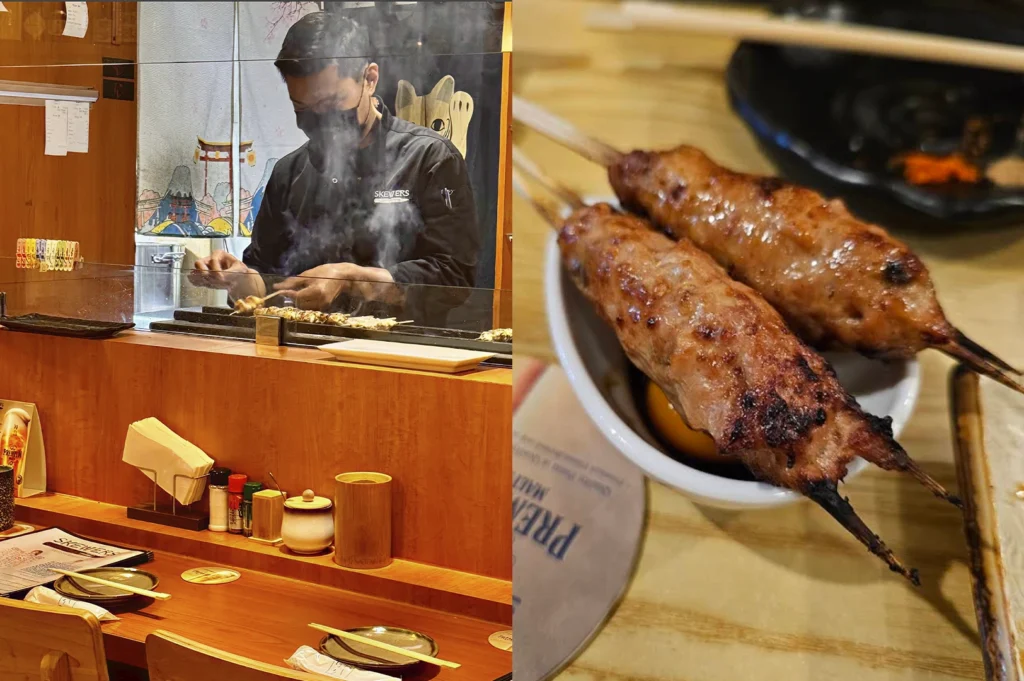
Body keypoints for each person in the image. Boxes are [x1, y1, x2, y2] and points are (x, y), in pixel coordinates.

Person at [191, 12, 479, 324]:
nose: (319, 121)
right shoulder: (290, 172)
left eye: (330, 104)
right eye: (301, 108)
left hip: (400, 353)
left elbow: (455, 278)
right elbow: (266, 276)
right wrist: (239, 278)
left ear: (369, 79)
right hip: (304, 349)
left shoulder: (429, 158)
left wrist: (354, 278)